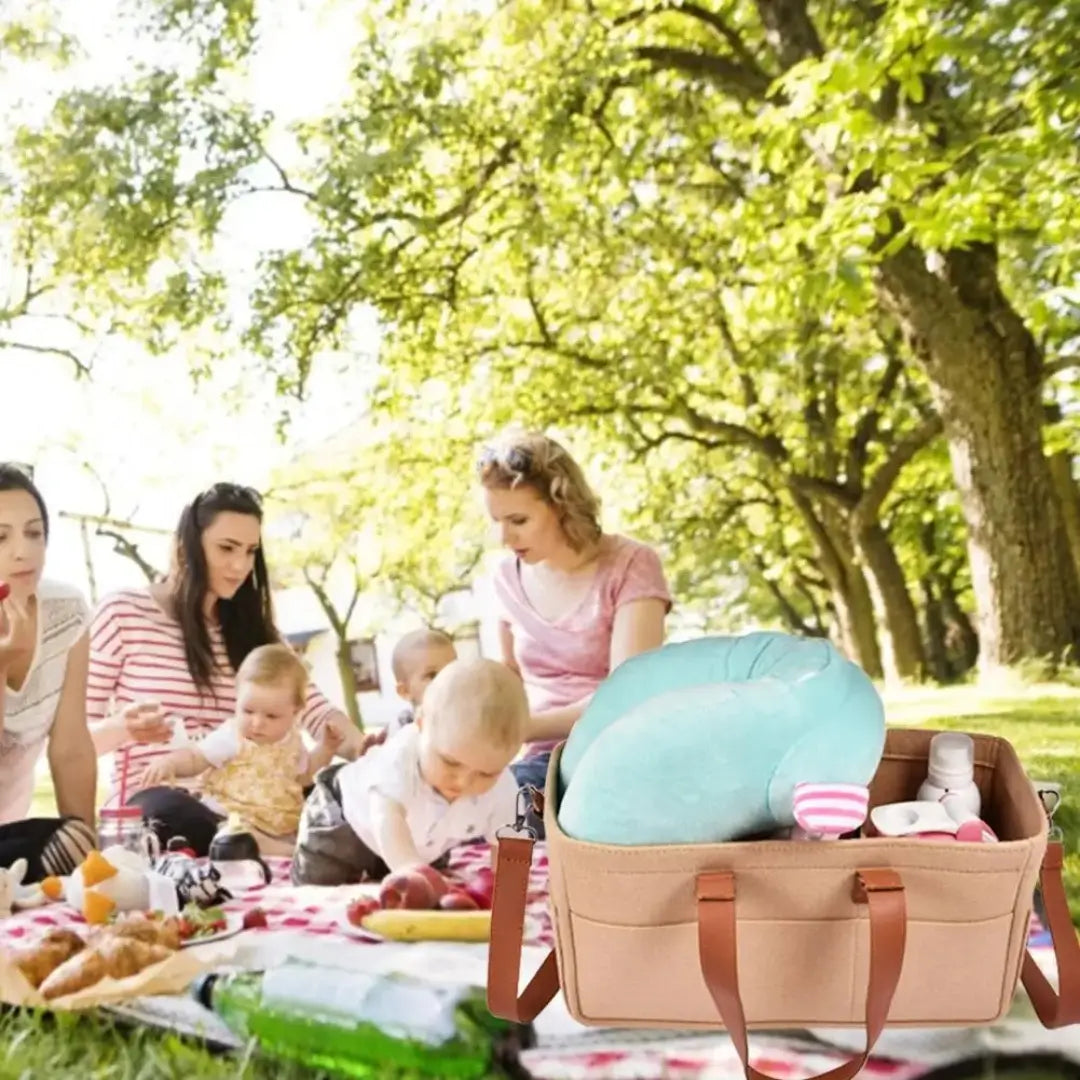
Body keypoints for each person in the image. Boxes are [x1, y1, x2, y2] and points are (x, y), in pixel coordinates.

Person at [88, 482, 361, 855]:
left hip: (259, 804)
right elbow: (75, 743)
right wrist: (123, 728)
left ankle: (278, 841)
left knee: (353, 787)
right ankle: (275, 846)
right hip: (163, 802)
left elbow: (317, 711)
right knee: (167, 813)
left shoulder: (258, 634)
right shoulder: (122, 613)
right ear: (187, 546)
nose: (240, 566)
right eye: (226, 548)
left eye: (250, 552)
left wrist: (366, 749)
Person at [478, 430, 671, 801]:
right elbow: (505, 683)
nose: (504, 537)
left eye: (518, 521)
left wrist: (520, 729)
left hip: (611, 752)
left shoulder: (630, 565)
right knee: (455, 800)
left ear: (563, 506)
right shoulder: (504, 578)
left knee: (510, 807)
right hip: (534, 763)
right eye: (496, 521)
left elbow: (626, 697)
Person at [291, 658, 525, 885]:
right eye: (450, 762)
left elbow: (510, 844)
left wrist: (508, 888)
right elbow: (386, 818)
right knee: (320, 876)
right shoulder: (400, 756)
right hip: (346, 816)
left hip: (420, 837)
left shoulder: (504, 786)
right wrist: (413, 875)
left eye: (486, 774)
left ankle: (394, 866)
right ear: (421, 724)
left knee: (430, 865)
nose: (463, 782)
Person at [137, 644, 341, 856]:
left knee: (317, 822)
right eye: (248, 711)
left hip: (281, 826)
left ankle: (292, 849)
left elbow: (305, 776)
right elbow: (196, 757)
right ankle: (289, 852)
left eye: (271, 716)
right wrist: (170, 763)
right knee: (234, 832)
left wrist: (326, 748)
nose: (257, 723)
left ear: (295, 712)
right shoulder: (232, 736)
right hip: (232, 818)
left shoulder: (293, 742)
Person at [0, 464, 98, 882]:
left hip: (9, 839)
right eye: (0, 537)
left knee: (74, 839)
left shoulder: (66, 610)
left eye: (34, 533)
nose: (23, 551)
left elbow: (71, 746)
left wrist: (89, 860)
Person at [385, 627, 458, 737]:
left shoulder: (471, 722)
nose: (447, 680)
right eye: (432, 675)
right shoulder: (400, 738)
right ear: (405, 691)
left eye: (453, 670)